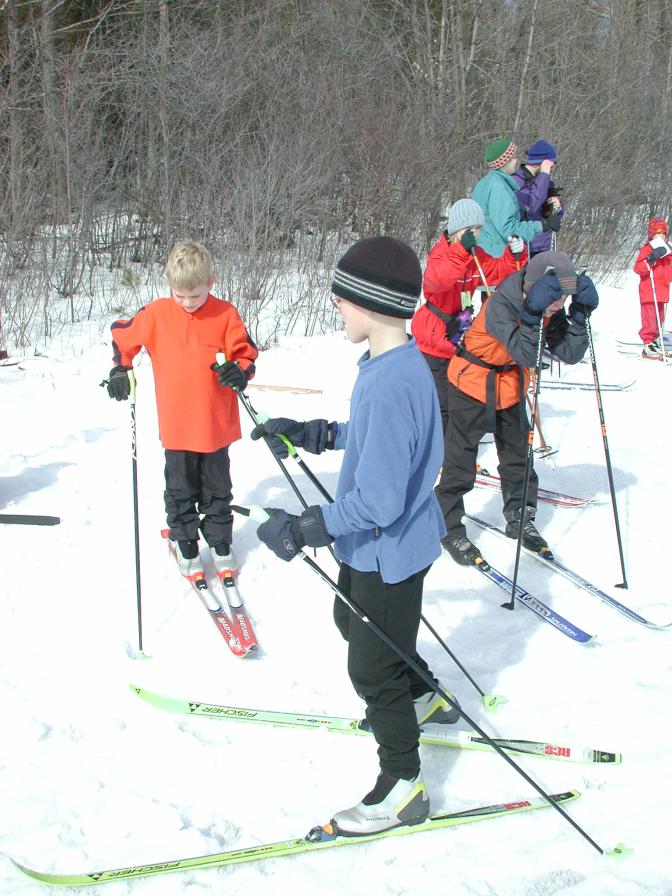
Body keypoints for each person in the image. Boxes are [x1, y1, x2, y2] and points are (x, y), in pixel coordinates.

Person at [251, 236, 459, 836]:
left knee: (371, 670)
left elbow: (379, 499)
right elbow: (379, 441)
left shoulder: (392, 381)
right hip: (387, 546)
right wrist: (317, 433)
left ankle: (403, 785)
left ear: (369, 304)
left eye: (341, 300)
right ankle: (423, 696)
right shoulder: (394, 363)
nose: (337, 309)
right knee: (354, 625)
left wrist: (306, 526)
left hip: (387, 550)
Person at [105, 240, 258, 580]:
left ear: (211, 283)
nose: (188, 303)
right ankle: (186, 543)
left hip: (215, 426)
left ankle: (220, 544)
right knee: (179, 489)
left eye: (196, 295)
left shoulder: (224, 313)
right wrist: (120, 369)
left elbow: (246, 354)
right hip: (177, 427)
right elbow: (122, 337)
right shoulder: (157, 314)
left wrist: (239, 370)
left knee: (217, 488)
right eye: (180, 295)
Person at [436, 251, 599, 566]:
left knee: (518, 460)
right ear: (537, 287)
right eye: (558, 299)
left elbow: (568, 352)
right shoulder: (502, 304)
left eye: (566, 298)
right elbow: (526, 353)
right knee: (460, 463)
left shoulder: (547, 305)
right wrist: (532, 315)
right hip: (471, 383)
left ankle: (520, 516)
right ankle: (447, 524)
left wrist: (579, 317)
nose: (559, 305)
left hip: (509, 386)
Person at [411, 198, 527, 434]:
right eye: (470, 230)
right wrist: (461, 251)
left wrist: (516, 254)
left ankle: (454, 448)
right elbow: (437, 282)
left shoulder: (475, 255)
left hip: (458, 337)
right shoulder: (442, 254)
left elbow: (498, 272)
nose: (475, 234)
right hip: (433, 341)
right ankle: (440, 452)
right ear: (456, 230)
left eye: (478, 230)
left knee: (458, 400)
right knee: (441, 404)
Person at [471, 139, 561, 259]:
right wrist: (542, 226)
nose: (516, 161)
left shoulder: (485, 183)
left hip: (485, 253)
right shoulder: (499, 188)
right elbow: (508, 229)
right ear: (505, 162)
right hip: (495, 256)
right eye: (513, 157)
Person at [511, 140, 564, 257]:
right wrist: (544, 174)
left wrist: (557, 208)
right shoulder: (516, 182)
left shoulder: (546, 182)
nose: (551, 170)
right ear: (539, 164)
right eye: (550, 166)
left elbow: (557, 217)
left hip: (545, 245)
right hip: (524, 246)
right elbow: (531, 207)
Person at [633, 217, 672, 359]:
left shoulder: (667, 251)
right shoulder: (647, 249)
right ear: (651, 235)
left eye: (663, 233)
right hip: (649, 291)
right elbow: (638, 269)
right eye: (658, 233)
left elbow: (669, 272)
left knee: (659, 319)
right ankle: (648, 342)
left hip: (662, 291)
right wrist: (651, 259)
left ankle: (655, 340)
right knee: (650, 318)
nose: (661, 236)